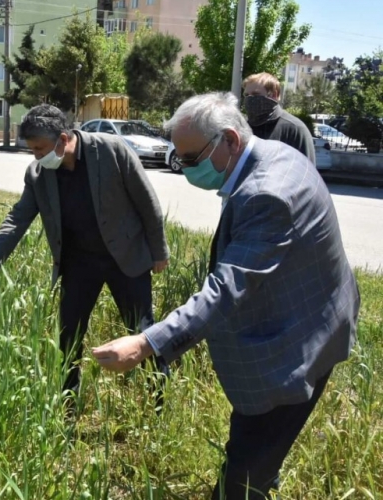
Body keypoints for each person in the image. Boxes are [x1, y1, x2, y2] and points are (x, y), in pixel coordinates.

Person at [91, 92, 360, 500]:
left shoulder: (266, 193)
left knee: (245, 472)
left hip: (292, 351)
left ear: (230, 140)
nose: (184, 169)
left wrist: (147, 343)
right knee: (258, 455)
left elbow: (226, 289)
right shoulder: (273, 155)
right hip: (311, 316)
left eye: (191, 159)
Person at [0, 104, 171, 409]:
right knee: (68, 338)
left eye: (40, 148)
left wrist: (159, 252)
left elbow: (147, 201)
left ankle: (160, 401)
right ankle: (69, 405)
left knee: (142, 331)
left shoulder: (112, 150)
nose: (36, 156)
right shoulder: (38, 174)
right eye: (31, 149)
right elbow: (17, 219)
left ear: (63, 139)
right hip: (79, 265)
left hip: (126, 258)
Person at [242, 72, 316, 164]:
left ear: (274, 95)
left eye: (255, 94)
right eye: (246, 95)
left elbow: (306, 172)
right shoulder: (243, 128)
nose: (250, 99)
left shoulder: (294, 129)